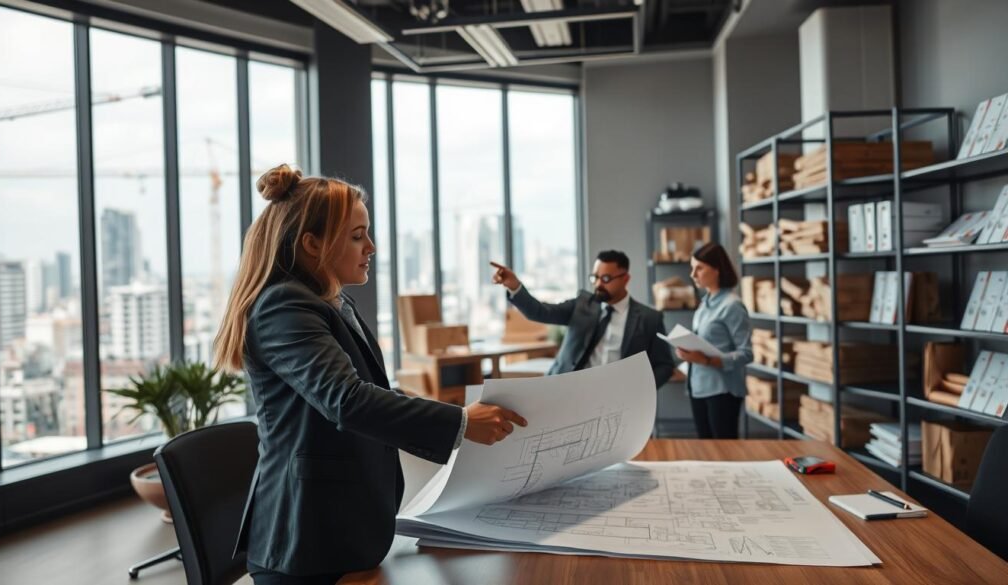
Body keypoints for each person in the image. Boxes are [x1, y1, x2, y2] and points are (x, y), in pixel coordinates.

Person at [214, 164, 527, 585]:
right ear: (313, 244)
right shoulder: (283, 307)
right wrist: (462, 423)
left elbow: (372, 390)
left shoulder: (331, 301)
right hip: (306, 544)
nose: (372, 247)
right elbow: (348, 400)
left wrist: (455, 419)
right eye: (358, 236)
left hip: (344, 528)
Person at [490, 250, 675, 388]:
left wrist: (641, 388)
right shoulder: (581, 305)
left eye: (606, 278)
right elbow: (540, 312)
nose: (598, 284)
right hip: (571, 390)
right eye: (595, 277)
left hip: (618, 396)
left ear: (625, 279)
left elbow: (664, 365)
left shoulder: (650, 318)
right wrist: (514, 286)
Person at [678, 242, 753, 439]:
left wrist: (706, 360)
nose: (693, 274)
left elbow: (746, 353)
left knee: (724, 454)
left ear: (717, 269)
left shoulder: (732, 306)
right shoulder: (704, 304)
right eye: (692, 268)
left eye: (699, 268)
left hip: (722, 391)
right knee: (707, 452)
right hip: (698, 387)